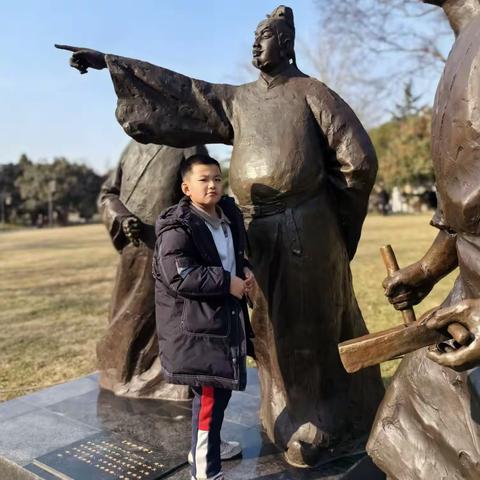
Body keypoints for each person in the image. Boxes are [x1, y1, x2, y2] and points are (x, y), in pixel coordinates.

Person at [56, 5, 384, 466]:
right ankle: (280, 411)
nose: (255, 44)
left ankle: (319, 419)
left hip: (304, 228)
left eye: (264, 36)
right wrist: (111, 63)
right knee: (266, 331)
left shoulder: (313, 94)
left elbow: (358, 162)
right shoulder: (239, 99)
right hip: (255, 232)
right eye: (254, 36)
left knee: (307, 325)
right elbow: (186, 91)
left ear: (286, 44)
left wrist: (331, 223)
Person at [367, 1, 480, 478]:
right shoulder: (466, 40)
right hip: (466, 300)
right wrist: (430, 268)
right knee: (403, 426)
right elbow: (464, 201)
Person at [153, 153, 255, 480]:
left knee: (218, 394)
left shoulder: (228, 216)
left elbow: (234, 257)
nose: (212, 185)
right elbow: (180, 276)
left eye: (217, 178)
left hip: (220, 320)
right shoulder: (177, 227)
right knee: (209, 399)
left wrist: (245, 272)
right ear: (186, 187)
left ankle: (211, 445)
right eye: (203, 180)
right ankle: (205, 471)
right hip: (196, 328)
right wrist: (228, 282)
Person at [97, 140, 207, 399]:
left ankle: (170, 377)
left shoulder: (186, 141)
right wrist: (121, 218)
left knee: (168, 317)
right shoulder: (132, 148)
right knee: (126, 318)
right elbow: (108, 194)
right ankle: (122, 373)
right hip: (133, 251)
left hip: (170, 251)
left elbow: (202, 193)